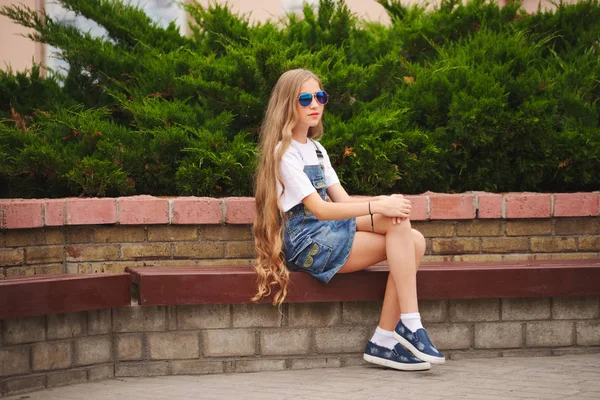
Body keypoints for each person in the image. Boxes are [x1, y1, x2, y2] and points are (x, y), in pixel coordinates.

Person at [253, 68, 444, 371]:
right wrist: (379, 204)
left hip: (327, 230)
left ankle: (391, 334)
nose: (314, 104)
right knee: (404, 234)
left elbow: (342, 201)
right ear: (288, 104)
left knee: (412, 237)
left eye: (320, 96)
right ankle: (402, 328)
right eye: (305, 99)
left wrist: (383, 205)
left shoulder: (316, 150)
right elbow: (322, 210)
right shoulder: (284, 153)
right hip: (308, 243)